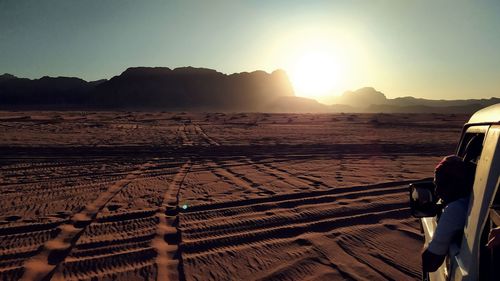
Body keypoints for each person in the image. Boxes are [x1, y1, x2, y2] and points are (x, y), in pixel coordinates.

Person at [421, 155, 476, 272]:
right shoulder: (470, 201)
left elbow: (429, 263)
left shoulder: (455, 209)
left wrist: (428, 241)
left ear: (453, 184)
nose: (436, 192)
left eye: (439, 185)